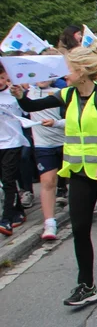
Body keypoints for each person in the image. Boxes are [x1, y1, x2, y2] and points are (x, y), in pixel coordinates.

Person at [13, 44, 97, 305]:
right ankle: (86, 285)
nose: (65, 74)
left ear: (83, 71)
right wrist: (20, 96)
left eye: (69, 69)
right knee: (80, 227)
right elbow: (32, 104)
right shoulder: (68, 94)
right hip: (78, 171)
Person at [26, 76, 65, 240]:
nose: (42, 78)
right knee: (48, 182)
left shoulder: (61, 92)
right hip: (43, 145)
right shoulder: (27, 93)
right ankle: (49, 223)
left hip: (66, 142)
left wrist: (56, 123)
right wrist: (19, 95)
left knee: (79, 179)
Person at [0, 64, 30, 236]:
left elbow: (27, 110)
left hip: (13, 142)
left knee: (8, 179)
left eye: (2, 77)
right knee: (5, 180)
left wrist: (21, 94)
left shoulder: (13, 94)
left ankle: (6, 219)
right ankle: (18, 210)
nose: (0, 81)